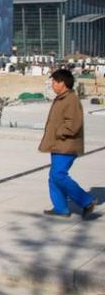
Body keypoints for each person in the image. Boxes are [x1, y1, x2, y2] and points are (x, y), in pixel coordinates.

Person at [39, 69, 96, 219]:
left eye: (54, 82)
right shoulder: (62, 98)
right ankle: (61, 208)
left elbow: (73, 124)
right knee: (54, 176)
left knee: (58, 174)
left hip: (66, 145)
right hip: (58, 144)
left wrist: (58, 132)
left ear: (62, 83)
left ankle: (87, 201)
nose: (52, 85)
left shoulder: (71, 100)